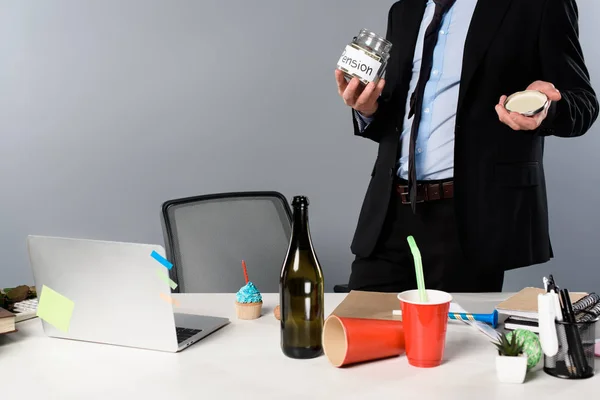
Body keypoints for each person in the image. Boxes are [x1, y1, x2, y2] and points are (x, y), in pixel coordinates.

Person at [335, 0, 598, 293]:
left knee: (455, 338)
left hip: (468, 219)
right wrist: (367, 110)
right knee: (360, 328)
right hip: (390, 211)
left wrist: (547, 109)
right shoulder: (404, 11)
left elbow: (584, 104)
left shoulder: (539, 6)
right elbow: (400, 117)